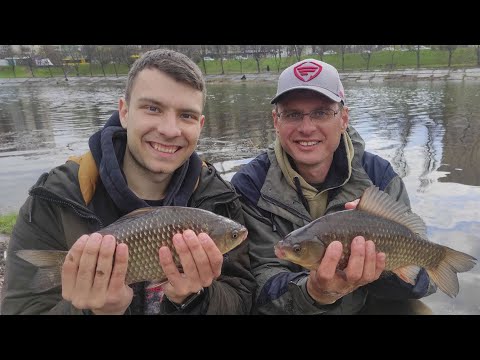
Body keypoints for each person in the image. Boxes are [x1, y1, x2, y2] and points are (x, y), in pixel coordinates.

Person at [1, 49, 255, 315]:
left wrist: (196, 300)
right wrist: (94, 312)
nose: (169, 130)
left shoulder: (219, 198)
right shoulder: (56, 197)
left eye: (187, 115)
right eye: (153, 108)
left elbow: (241, 299)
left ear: (200, 125)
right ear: (124, 112)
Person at [231, 58, 436, 315]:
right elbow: (257, 284)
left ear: (344, 118)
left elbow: (422, 282)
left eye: (321, 113)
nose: (307, 128)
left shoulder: (379, 176)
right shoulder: (250, 184)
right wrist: (313, 292)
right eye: (293, 114)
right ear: (276, 121)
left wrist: (381, 266)